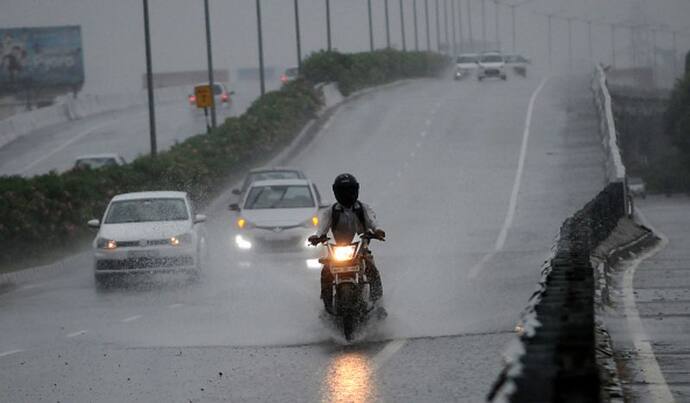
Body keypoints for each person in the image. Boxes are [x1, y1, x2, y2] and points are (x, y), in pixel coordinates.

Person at [309, 173, 386, 313]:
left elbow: (373, 222)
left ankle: (378, 305)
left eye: (350, 190)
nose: (347, 194)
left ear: (356, 190)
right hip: (338, 250)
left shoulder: (363, 208)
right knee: (326, 271)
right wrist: (317, 237)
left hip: (361, 249)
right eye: (343, 191)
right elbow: (322, 228)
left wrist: (378, 231)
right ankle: (327, 307)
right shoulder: (331, 211)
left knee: (371, 269)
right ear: (336, 192)